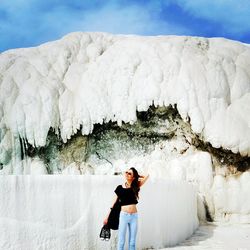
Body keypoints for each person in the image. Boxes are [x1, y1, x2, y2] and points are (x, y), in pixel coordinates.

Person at [103, 167, 149, 250]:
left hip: (134, 216)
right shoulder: (119, 188)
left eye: (130, 173)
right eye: (126, 172)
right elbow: (113, 203)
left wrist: (138, 176)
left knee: (132, 242)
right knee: (121, 241)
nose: (127, 174)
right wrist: (107, 217)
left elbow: (147, 176)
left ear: (133, 177)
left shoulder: (136, 186)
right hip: (123, 216)